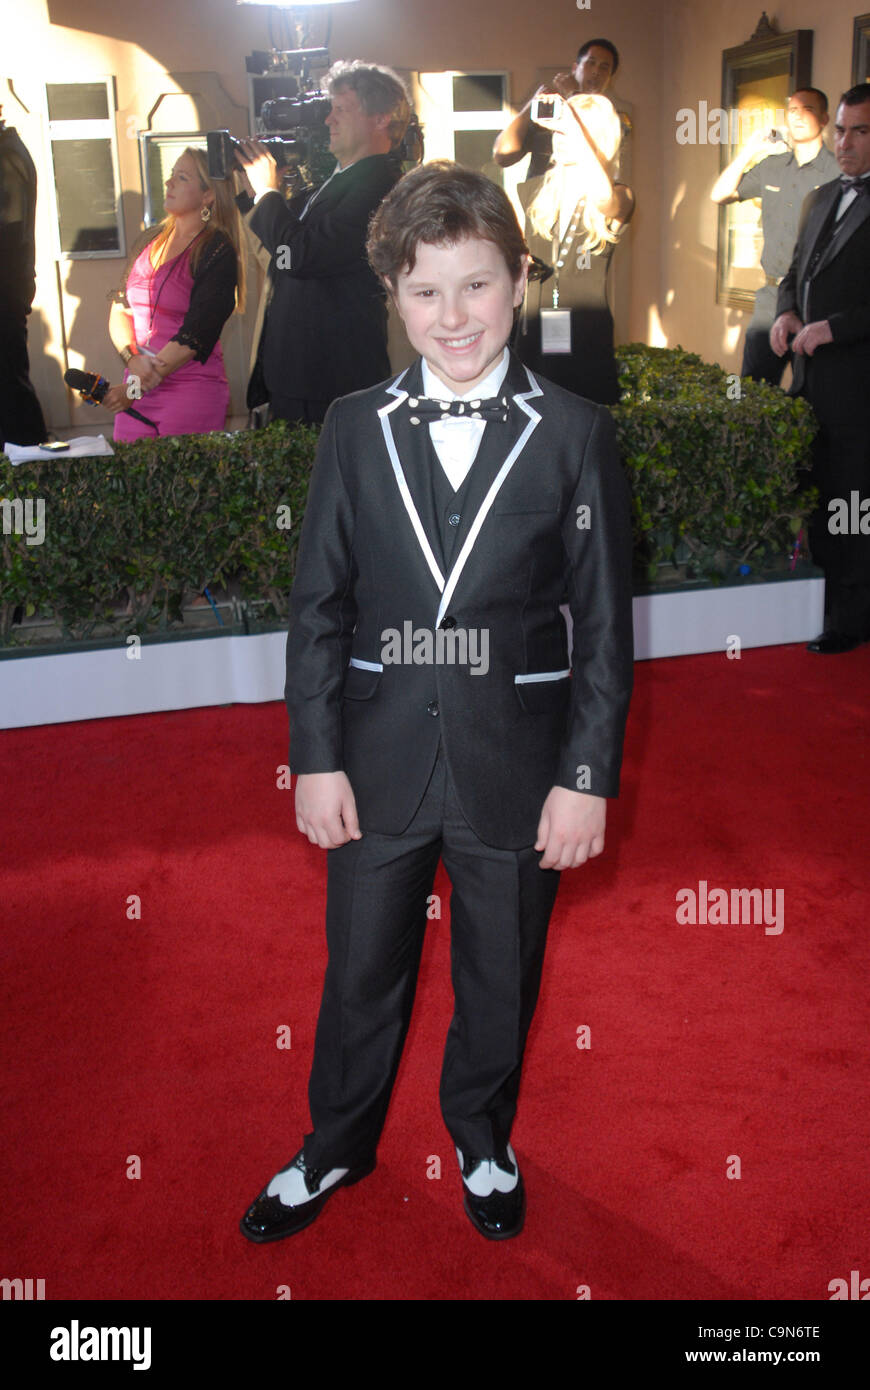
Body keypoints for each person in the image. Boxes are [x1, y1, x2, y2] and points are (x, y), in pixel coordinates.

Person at [240, 161, 634, 1245]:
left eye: (475, 286)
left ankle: (484, 1135)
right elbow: (318, 608)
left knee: (499, 974)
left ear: (518, 280)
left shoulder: (575, 432)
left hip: (519, 765)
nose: (452, 317)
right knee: (360, 968)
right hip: (373, 765)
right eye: (425, 292)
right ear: (393, 296)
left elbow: (602, 629)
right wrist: (314, 757)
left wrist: (584, 778)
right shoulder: (353, 428)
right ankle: (334, 1147)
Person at [236, 60, 411, 427]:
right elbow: (280, 254)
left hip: (332, 381)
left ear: (381, 118)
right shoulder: (337, 183)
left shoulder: (381, 185)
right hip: (299, 378)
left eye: (341, 109)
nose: (328, 120)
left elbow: (299, 255)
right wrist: (255, 194)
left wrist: (268, 194)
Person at [771, 85, 870, 654]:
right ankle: (818, 602)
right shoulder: (819, 196)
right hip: (808, 387)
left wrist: (833, 327)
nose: (844, 141)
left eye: (859, 131)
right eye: (840, 129)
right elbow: (793, 274)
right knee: (819, 497)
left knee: (853, 504)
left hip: (860, 391)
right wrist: (787, 311)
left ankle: (851, 620)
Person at [105, 146, 244, 439]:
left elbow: (195, 334)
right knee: (129, 482)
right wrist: (131, 360)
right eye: (171, 175)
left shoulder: (216, 248)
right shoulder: (149, 239)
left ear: (208, 195)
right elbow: (120, 309)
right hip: (138, 382)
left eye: (181, 177)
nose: (168, 183)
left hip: (190, 390)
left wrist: (134, 387)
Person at [711, 88, 838, 386]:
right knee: (749, 391)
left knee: (811, 394)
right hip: (770, 298)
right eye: (792, 110)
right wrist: (750, 149)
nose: (797, 116)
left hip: (814, 300)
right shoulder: (773, 166)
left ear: (824, 118)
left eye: (807, 109)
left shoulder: (836, 171)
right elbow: (720, 193)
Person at [515, 93, 634, 405]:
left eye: (576, 130)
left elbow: (604, 199)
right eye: (560, 130)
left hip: (585, 342)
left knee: (583, 442)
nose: (563, 138)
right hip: (533, 336)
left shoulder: (619, 196)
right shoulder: (534, 193)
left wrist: (574, 130)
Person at [493, 38, 620, 176]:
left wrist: (574, 95)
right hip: (545, 195)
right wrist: (532, 104)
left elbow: (590, 151)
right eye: (591, 63)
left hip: (587, 195)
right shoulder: (552, 111)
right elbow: (502, 156)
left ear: (609, 79)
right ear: (575, 68)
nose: (596, 71)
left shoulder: (609, 120)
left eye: (604, 67)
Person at [0, 104, 47, 449]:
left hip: (4, 301)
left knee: (12, 403)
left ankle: (29, 497)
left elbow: (8, 237)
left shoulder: (7, 159)